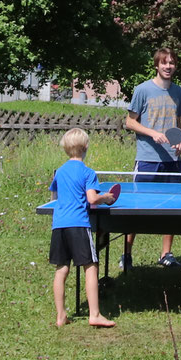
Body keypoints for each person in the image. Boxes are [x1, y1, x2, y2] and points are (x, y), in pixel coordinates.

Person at [120, 49, 181, 269]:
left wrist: (180, 140)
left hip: (172, 160)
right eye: (164, 63)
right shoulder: (143, 90)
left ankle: (166, 254)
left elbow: (177, 123)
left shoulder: (179, 92)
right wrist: (152, 133)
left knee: (173, 208)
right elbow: (130, 122)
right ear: (157, 66)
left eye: (172, 63)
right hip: (148, 159)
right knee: (135, 207)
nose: (168, 66)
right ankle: (126, 254)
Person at [48, 128, 120, 328]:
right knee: (91, 267)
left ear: (65, 149)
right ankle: (95, 314)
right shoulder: (88, 172)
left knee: (61, 269)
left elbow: (55, 195)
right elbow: (92, 198)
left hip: (59, 225)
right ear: (86, 147)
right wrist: (106, 198)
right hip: (78, 224)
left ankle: (61, 316)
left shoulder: (60, 171)